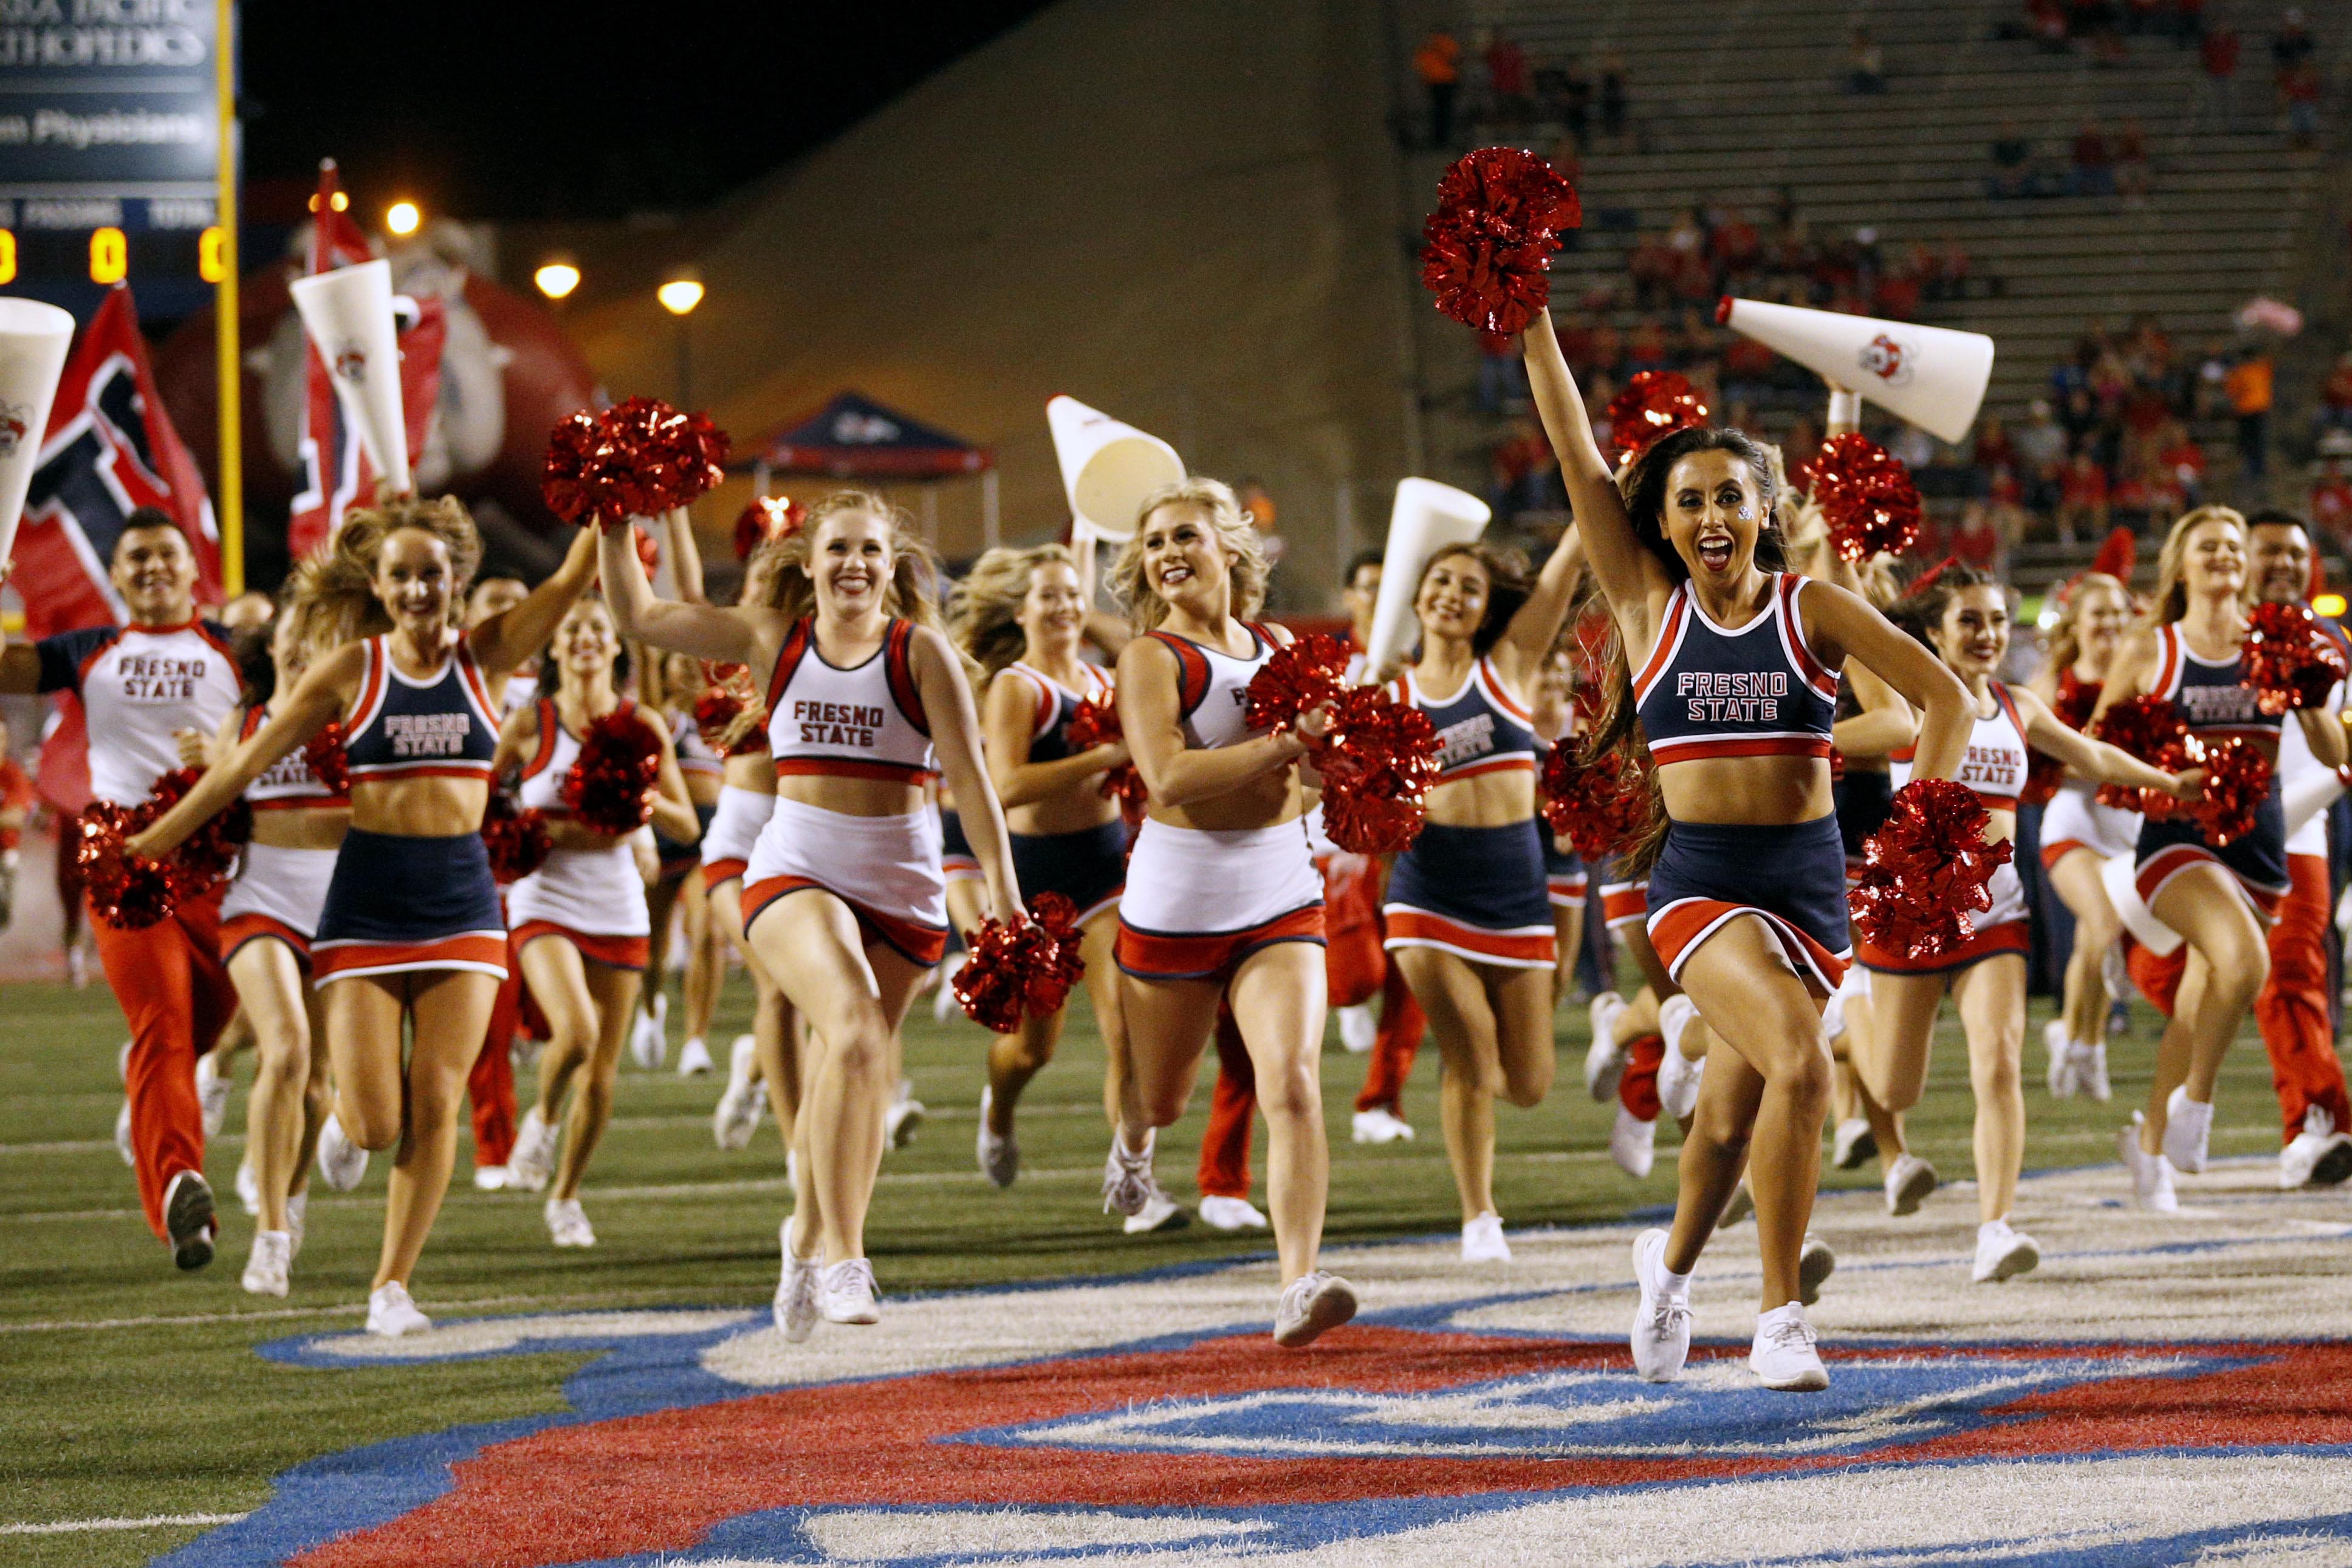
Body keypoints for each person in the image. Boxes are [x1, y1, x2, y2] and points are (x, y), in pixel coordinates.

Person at [1521, 306, 1975, 1390]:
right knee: (1804, 1064)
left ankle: (1666, 1271)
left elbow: (1940, 702)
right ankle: (1780, 1316)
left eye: (1732, 494)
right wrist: (1531, 313)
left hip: (1811, 888)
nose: (1713, 513)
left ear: (1765, 508)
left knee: (1727, 1122)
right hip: (1702, 884)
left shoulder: (1810, 604)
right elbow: (1578, 452)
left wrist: (1928, 824)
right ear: (1663, 524)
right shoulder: (1645, 605)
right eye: (1690, 500)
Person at [129, 498, 599, 1333]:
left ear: (454, 580)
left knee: (437, 1099)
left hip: (461, 899)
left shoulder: (488, 656)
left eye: (432, 573)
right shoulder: (352, 670)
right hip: (367, 904)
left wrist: (614, 504)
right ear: (380, 587)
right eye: (402, 575)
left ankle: (391, 1288)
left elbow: (571, 578)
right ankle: (347, 1125)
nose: (419, 588)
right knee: (375, 1120)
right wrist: (157, 839)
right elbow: (243, 766)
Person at [597, 490, 1020, 1339]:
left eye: (869, 550)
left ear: (891, 565)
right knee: (858, 1032)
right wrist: (612, 517)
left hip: (901, 888)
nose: (853, 565)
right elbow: (639, 616)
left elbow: (971, 785)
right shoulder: (770, 636)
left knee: (852, 1070)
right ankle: (843, 1260)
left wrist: (1004, 906)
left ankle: (803, 1234)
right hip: (795, 869)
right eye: (837, 550)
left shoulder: (921, 652)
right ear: (810, 562)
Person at [1859, 566, 2196, 1282]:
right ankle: (1844, 1014)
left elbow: (2093, 755)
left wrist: (2169, 783)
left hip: (1998, 909)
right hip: (1916, 908)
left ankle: (1995, 1227)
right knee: (1894, 1090)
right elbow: (1854, 634)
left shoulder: (2017, 705)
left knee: (2000, 1061)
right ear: (1934, 633)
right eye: (1969, 622)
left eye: (1996, 621)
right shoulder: (1912, 698)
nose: (1986, 635)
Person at [1105, 476, 1357, 1346]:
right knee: (1163, 1097)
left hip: (1279, 887)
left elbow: (1308, 770)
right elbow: (1167, 777)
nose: (1169, 553)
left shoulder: (1278, 643)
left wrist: (1361, 758)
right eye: (1154, 542)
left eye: (1185, 535)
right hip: (1178, 893)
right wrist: (1289, 739)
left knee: (1289, 1080)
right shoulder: (1150, 658)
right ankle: (1135, 1144)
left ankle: (1297, 1282)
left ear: (1228, 549)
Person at [0, 510, 242, 1270]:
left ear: (192, 565)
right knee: (164, 1025)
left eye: (166, 554)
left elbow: (293, 719)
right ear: (114, 574)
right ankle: (180, 1195)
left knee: (209, 1029)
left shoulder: (238, 653)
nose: (153, 568)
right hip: (127, 858)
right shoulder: (88, 649)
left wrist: (228, 749)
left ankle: (150, 1097)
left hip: (218, 865)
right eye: (136, 557)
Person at [2091, 505, 2344, 1208]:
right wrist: (2162, 778)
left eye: (2234, 546)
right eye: (2209, 546)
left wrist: (2305, 685)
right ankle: (2194, 1111)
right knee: (2248, 963)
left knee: (2200, 1002)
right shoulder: (2154, 649)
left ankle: (2150, 1150)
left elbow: (2332, 750)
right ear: (2182, 562)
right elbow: (2099, 744)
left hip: (2258, 847)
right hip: (2176, 841)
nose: (2225, 556)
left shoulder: (2273, 642)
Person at [1381, 526, 1582, 1262]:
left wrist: (1603, 479)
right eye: (1441, 581)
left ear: (1487, 606)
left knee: (1526, 1082)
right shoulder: (1386, 692)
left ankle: (1470, 1118)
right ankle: (1480, 1218)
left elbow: (1565, 569)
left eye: (1470, 587)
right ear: (1417, 593)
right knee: (1468, 1056)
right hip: (1428, 894)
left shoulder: (1510, 665)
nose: (1452, 595)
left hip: (1516, 892)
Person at [498, 597, 699, 1245]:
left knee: (602, 1072)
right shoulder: (531, 724)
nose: (585, 637)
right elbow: (482, 799)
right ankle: (544, 1121)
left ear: (615, 648)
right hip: (544, 895)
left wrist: (633, 793)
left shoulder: (640, 722)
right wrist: (515, 835)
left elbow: (686, 822)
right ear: (553, 651)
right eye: (572, 630)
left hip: (614, 898)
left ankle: (566, 1195)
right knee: (577, 1032)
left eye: (597, 630)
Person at [948, 544, 1142, 1199]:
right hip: (1039, 881)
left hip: (1108, 869)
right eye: (1048, 596)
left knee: (1127, 1029)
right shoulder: (1017, 686)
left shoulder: (1107, 679)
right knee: (1034, 1050)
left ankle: (1134, 1174)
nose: (1062, 606)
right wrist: (1106, 755)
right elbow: (1005, 786)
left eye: (1070, 593)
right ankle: (997, 1110)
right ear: (1022, 610)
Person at [209, 581, 363, 1296]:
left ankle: (290, 1196)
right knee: (287, 1049)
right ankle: (269, 1233)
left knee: (318, 1084)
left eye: (317, 636)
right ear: (269, 648)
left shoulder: (355, 720)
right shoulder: (244, 720)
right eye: (289, 636)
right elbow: (213, 803)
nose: (301, 647)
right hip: (261, 900)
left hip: (340, 909)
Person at [2235, 512, 2352, 1186]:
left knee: (2293, 971)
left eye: (2294, 553)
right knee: (2173, 976)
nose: (2282, 563)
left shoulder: (2329, 639)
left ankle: (2318, 1119)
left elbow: (2336, 745)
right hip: (2208, 822)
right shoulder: (2212, 631)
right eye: (2268, 550)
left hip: (2300, 821)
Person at [2030, 571, 2141, 1098]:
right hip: (2072, 820)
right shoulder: (2056, 675)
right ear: (2077, 620)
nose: (2110, 623)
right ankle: (2084, 1042)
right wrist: (2105, 765)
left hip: (2129, 824)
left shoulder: (2144, 669)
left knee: (2095, 940)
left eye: (2118, 612)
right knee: (2102, 918)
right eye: (2099, 613)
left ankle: (2079, 1037)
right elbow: (2034, 755)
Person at [1413, 29, 1461, 148]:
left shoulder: (1428, 46)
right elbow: (1457, 60)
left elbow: (1420, 65)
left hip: (1435, 82)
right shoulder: (1448, 44)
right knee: (1446, 111)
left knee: (1437, 111)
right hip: (1447, 81)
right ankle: (1444, 138)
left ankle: (1439, 138)